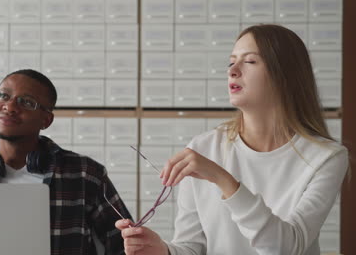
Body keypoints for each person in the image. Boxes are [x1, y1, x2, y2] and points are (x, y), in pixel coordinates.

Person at [116, 24, 348, 255]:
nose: (232, 70)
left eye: (249, 61)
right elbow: (193, 247)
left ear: (285, 74)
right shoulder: (201, 149)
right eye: (231, 62)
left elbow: (287, 248)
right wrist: (163, 251)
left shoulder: (327, 157)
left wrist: (222, 178)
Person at [0, 69, 132, 255]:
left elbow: (126, 246)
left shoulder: (85, 174)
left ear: (46, 120)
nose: (10, 106)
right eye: (4, 95)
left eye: (27, 102)